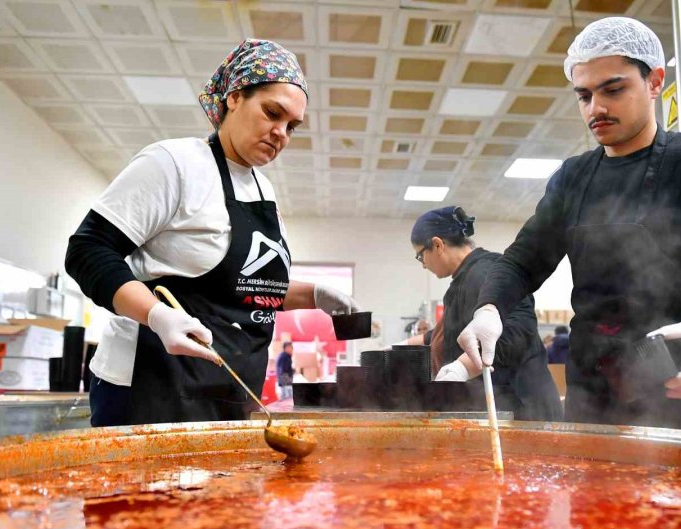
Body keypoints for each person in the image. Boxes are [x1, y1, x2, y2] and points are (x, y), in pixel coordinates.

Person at [458, 17, 681, 432]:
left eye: (613, 89)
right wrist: (489, 309)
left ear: (655, 82)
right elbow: (520, 263)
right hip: (589, 403)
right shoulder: (573, 178)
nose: (595, 108)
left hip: (677, 403)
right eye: (584, 95)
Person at [66, 39, 361, 426]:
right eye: (273, 113)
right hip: (150, 387)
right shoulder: (174, 164)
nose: (281, 133)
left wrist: (316, 295)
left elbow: (246, 288)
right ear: (235, 97)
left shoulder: (263, 191)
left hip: (230, 393)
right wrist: (155, 315)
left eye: (292, 126)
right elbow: (88, 250)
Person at [402, 206, 561, 421]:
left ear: (437, 245)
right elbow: (450, 331)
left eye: (421, 256)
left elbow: (518, 332)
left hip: (524, 411)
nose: (423, 266)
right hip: (500, 409)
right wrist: (406, 345)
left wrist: (462, 367)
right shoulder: (461, 282)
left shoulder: (490, 271)